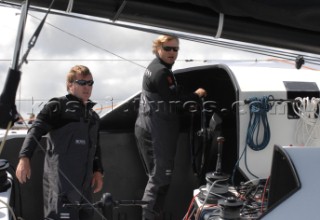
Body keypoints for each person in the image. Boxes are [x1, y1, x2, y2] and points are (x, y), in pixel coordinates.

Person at [15, 65, 104, 220]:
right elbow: (35, 131)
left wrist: (98, 171)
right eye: (82, 83)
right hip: (60, 186)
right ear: (70, 85)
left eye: (90, 83)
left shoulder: (93, 116)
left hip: (85, 188)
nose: (87, 87)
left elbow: (95, 147)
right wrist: (24, 158)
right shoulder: (56, 107)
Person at [134, 35, 207, 220]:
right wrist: (197, 95)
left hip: (150, 128)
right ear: (158, 48)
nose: (172, 53)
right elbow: (175, 101)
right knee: (159, 180)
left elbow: (172, 95)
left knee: (158, 179)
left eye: (175, 49)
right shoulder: (161, 73)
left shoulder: (157, 67)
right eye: (168, 48)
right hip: (155, 132)